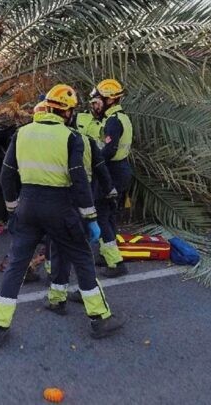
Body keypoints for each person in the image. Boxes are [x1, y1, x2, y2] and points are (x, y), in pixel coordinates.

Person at [0, 84, 124, 348]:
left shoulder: (22, 133)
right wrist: (91, 218)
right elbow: (78, 180)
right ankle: (99, 318)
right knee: (83, 259)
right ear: (67, 112)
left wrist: (13, 209)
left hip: (28, 206)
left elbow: (6, 175)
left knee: (16, 265)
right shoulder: (71, 138)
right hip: (60, 208)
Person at [89, 79, 132, 277]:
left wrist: (92, 160)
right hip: (119, 170)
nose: (95, 104)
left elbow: (109, 150)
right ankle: (106, 255)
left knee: (102, 216)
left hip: (111, 172)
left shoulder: (113, 121)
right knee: (109, 215)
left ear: (109, 99)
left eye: (98, 99)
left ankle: (115, 263)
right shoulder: (120, 117)